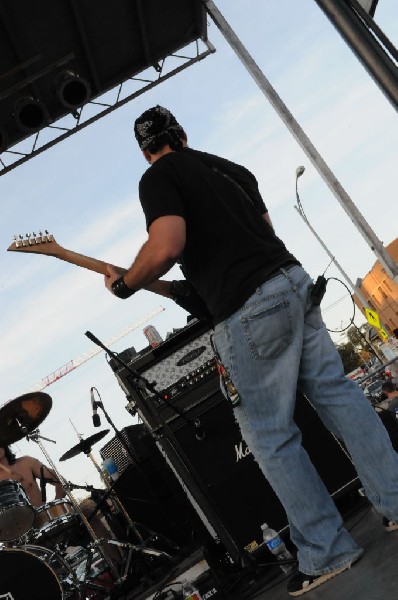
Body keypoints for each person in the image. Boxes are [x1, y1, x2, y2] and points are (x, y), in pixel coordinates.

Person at [103, 105, 398, 596]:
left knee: (270, 437)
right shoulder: (231, 169)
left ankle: (327, 549)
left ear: (145, 151)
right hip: (292, 282)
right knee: (340, 399)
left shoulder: (158, 178)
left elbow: (167, 244)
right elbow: (262, 234)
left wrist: (126, 285)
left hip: (248, 309)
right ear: (182, 132)